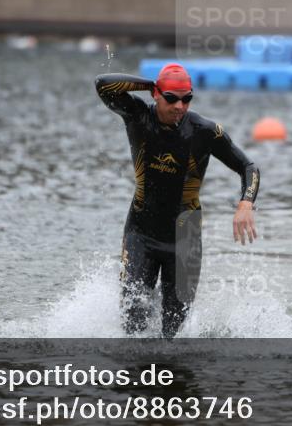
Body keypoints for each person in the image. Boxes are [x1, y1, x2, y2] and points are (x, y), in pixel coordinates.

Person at [95, 63, 259, 338]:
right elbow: (103, 83)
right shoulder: (137, 115)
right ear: (157, 94)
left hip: (186, 236)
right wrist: (149, 85)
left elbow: (248, 167)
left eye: (187, 98)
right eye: (171, 98)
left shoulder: (204, 131)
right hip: (141, 233)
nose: (180, 106)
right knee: (132, 326)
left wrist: (246, 203)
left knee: (173, 334)